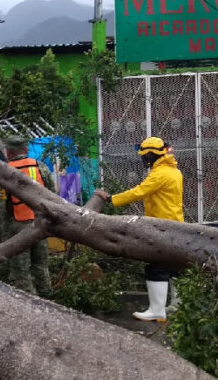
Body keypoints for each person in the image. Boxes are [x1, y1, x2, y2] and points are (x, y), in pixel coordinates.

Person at [95, 136, 183, 322]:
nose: (143, 160)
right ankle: (178, 306)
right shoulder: (172, 170)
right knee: (175, 267)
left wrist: (111, 198)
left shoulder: (160, 174)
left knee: (155, 266)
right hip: (175, 225)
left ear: (151, 156)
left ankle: (157, 311)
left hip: (161, 227)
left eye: (144, 156)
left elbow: (139, 192)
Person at [0, 135, 55, 297]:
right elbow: (53, 195)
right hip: (41, 225)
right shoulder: (40, 167)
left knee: (21, 271)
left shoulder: (4, 173)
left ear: (8, 152)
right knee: (41, 266)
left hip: (17, 228)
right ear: (26, 150)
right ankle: (49, 300)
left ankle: (32, 306)